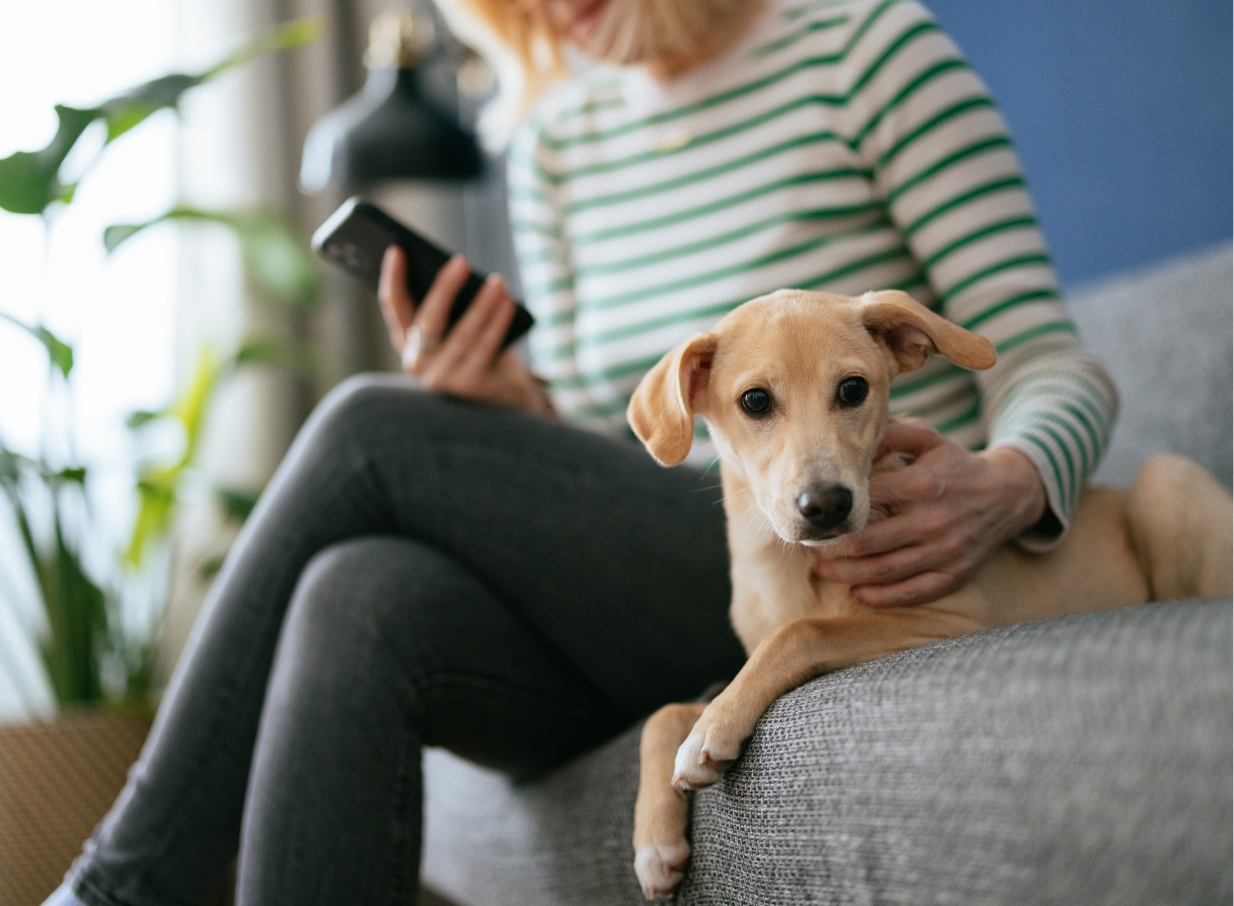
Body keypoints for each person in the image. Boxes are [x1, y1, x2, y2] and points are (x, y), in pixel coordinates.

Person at [47, 0, 1116, 904]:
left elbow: (1044, 360)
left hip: (841, 569)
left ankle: (121, 888)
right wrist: (507, 403)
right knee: (356, 590)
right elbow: (613, 441)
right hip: (652, 590)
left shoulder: (867, 50)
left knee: (370, 428)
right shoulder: (558, 138)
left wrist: (1010, 483)